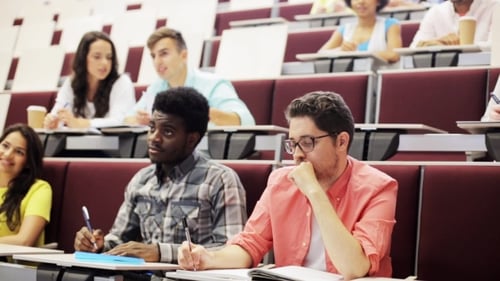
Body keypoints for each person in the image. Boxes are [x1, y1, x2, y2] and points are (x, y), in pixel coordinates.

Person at [178, 91, 398, 279]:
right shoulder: (280, 181)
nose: (298, 155)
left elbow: (354, 268)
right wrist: (209, 258)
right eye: (293, 144)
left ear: (341, 141)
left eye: (307, 142)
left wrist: (314, 191)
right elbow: (251, 244)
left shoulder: (379, 188)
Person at [74, 87, 247, 263]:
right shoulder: (141, 180)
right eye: (152, 128)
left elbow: (231, 251)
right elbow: (120, 240)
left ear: (191, 140)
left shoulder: (220, 180)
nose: (153, 138)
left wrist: (160, 253)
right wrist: (98, 245)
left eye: (168, 132)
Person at [123, 27, 255, 127]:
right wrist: (139, 120)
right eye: (153, 56)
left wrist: (200, 113)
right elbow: (127, 119)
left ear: (184, 55)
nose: (157, 61)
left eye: (164, 54)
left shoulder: (213, 83)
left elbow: (246, 121)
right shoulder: (156, 87)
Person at [44, 31, 135, 129]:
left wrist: (83, 124)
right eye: (97, 57)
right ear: (83, 58)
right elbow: (59, 112)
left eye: (109, 57)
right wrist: (53, 122)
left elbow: (121, 121)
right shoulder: (71, 83)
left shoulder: (122, 82)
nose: (105, 62)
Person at [0, 123, 52, 247]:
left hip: (12, 265)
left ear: (28, 162)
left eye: (19, 152)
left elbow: (24, 241)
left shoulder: (39, 189)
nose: (7, 154)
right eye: (5, 146)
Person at [319, 0, 402, 63]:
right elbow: (320, 55)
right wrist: (340, 50)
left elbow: (394, 55)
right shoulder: (344, 29)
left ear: (378, 1)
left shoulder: (391, 25)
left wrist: (356, 54)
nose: (361, 1)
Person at [410, 0, 500, 47]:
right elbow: (415, 48)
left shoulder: (495, 7)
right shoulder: (435, 12)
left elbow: (495, 51)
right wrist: (438, 42)